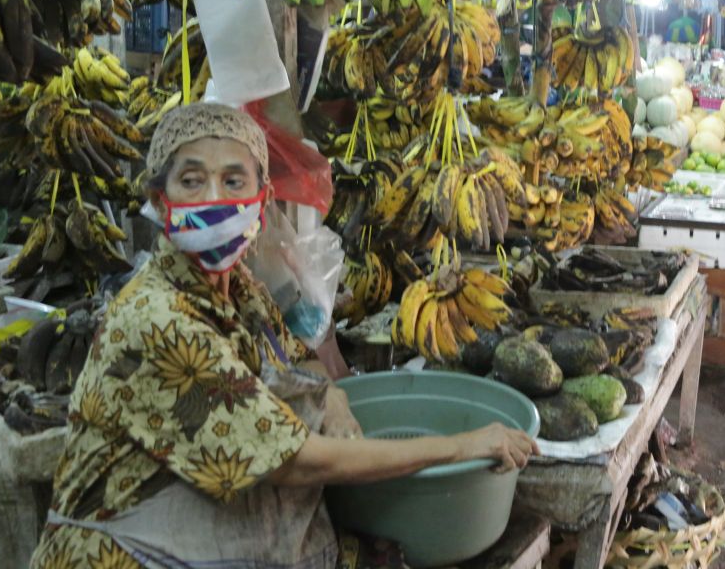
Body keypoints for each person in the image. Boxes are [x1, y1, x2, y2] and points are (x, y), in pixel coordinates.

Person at [31, 103, 538, 569]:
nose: (214, 199)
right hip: (123, 553)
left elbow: (298, 363)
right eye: (192, 181)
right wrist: (464, 446)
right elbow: (294, 461)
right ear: (160, 199)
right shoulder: (156, 318)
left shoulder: (241, 291)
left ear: (263, 199)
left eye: (234, 181)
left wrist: (333, 394)